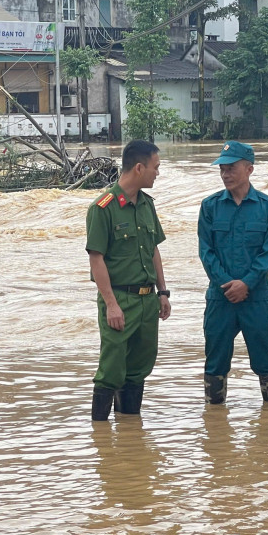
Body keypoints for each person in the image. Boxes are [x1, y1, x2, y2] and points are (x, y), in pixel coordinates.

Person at [85, 139, 172, 421]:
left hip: (148, 301)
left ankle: (129, 440)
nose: (157, 173)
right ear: (138, 168)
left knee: (138, 369)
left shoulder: (146, 205)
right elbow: (96, 259)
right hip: (120, 300)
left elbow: (154, 249)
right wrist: (111, 304)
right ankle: (99, 437)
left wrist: (163, 292)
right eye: (155, 167)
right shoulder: (103, 208)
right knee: (111, 371)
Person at [198, 141, 268, 404]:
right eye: (222, 169)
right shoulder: (210, 207)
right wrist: (227, 284)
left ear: (249, 169)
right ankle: (215, 427)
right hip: (220, 298)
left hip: (256, 298)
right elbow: (206, 251)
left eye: (231, 168)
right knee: (215, 362)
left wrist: (246, 283)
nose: (225, 174)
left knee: (266, 360)